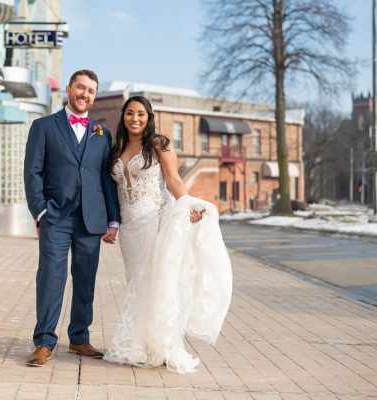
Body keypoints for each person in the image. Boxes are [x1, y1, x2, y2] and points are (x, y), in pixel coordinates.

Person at [103, 96, 232, 374]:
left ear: (148, 118)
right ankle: (142, 344)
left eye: (140, 114)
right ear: (123, 116)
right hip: (129, 228)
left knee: (153, 282)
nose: (134, 119)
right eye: (129, 113)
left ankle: (156, 345)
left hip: (154, 221)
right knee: (135, 281)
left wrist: (189, 206)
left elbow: (174, 180)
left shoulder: (159, 145)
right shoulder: (117, 149)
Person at [23, 70, 121, 367]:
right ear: (69, 89)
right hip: (56, 216)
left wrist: (113, 220)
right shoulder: (44, 126)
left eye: (91, 90)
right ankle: (44, 342)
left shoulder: (101, 133)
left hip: (91, 219)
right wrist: (40, 210)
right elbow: (33, 172)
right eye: (80, 87)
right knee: (51, 278)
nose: (85, 94)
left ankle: (79, 338)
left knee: (85, 280)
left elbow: (107, 180)